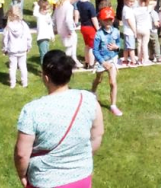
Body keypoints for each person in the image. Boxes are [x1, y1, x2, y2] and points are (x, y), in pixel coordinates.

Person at [14, 50, 104, 188]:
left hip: (44, 181)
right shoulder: (88, 100)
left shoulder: (32, 110)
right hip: (81, 178)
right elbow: (97, 136)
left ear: (46, 77)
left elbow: (21, 154)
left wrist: (22, 175)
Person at [91, 9, 123, 117]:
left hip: (112, 59)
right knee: (98, 79)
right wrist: (102, 62)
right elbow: (95, 50)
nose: (108, 22)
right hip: (101, 60)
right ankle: (92, 92)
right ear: (101, 21)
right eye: (105, 20)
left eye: (110, 20)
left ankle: (113, 105)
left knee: (113, 82)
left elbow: (119, 44)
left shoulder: (116, 32)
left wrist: (117, 47)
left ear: (113, 19)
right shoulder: (98, 34)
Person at [3, 5, 32, 89]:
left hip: (12, 50)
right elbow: (28, 37)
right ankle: (24, 83)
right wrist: (28, 46)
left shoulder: (8, 26)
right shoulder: (24, 25)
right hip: (22, 49)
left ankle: (12, 83)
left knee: (12, 67)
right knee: (23, 66)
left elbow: (5, 39)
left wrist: (4, 48)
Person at [54, 0, 83, 69]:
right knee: (70, 46)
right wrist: (71, 30)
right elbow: (68, 20)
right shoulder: (69, 6)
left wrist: (55, 28)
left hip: (61, 29)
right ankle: (64, 62)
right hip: (66, 29)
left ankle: (74, 60)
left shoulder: (60, 4)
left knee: (72, 44)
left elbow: (54, 17)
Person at [77, 0, 100, 69]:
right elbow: (94, 18)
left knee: (87, 45)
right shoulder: (90, 6)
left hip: (83, 27)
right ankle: (91, 63)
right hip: (90, 28)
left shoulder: (79, 3)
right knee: (92, 47)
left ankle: (86, 62)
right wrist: (98, 28)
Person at [134, 0, 153, 65]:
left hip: (138, 28)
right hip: (146, 29)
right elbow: (154, 3)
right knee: (144, 45)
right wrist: (147, 0)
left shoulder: (136, 10)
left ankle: (139, 59)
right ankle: (145, 59)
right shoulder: (147, 9)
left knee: (139, 44)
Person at [33, 0, 54, 64]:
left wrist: (52, 35)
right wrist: (36, 5)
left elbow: (50, 26)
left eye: (48, 9)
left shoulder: (48, 16)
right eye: (45, 9)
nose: (47, 10)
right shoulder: (39, 16)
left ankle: (45, 67)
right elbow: (35, 13)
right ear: (41, 9)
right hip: (42, 38)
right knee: (44, 54)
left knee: (46, 53)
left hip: (47, 38)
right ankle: (44, 69)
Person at [121, 0, 138, 66]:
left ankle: (125, 60)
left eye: (133, 1)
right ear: (125, 0)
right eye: (131, 1)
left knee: (126, 47)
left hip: (126, 31)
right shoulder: (127, 10)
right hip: (129, 31)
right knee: (131, 47)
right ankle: (133, 61)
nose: (132, 3)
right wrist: (134, 31)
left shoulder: (127, 7)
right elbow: (129, 21)